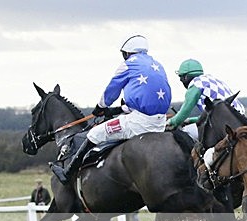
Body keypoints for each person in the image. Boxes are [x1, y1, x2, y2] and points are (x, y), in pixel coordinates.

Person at [51, 35, 172, 184]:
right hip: (160, 122)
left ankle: (67, 173)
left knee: (94, 133)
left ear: (128, 53)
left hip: (139, 123)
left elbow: (112, 91)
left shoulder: (129, 64)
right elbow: (142, 99)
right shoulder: (157, 64)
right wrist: (113, 111)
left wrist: (100, 107)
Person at [167, 58, 245, 140]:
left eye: (181, 77)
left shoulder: (196, 84)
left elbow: (184, 111)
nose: (180, 80)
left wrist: (171, 122)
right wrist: (190, 120)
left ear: (186, 77)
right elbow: (211, 115)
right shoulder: (212, 80)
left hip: (225, 124)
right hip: (239, 119)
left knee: (184, 133)